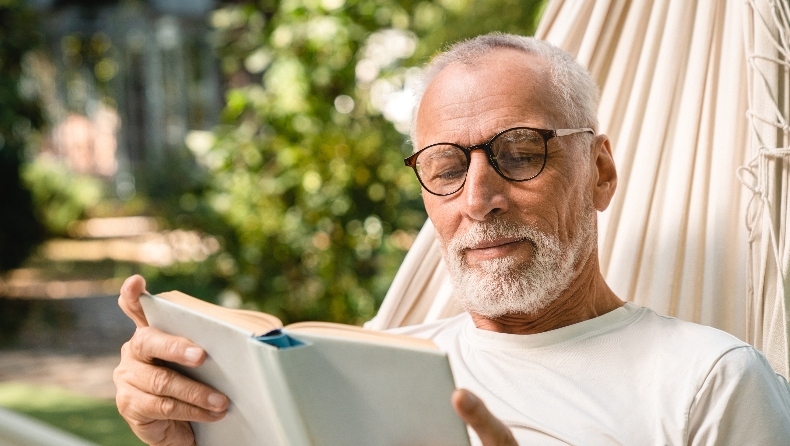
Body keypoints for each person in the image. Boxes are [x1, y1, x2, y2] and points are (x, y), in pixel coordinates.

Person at [113, 33, 790, 445]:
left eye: (521, 152)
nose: (478, 198)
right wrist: (190, 433)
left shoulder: (709, 382)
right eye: (445, 166)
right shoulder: (376, 367)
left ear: (600, 172)